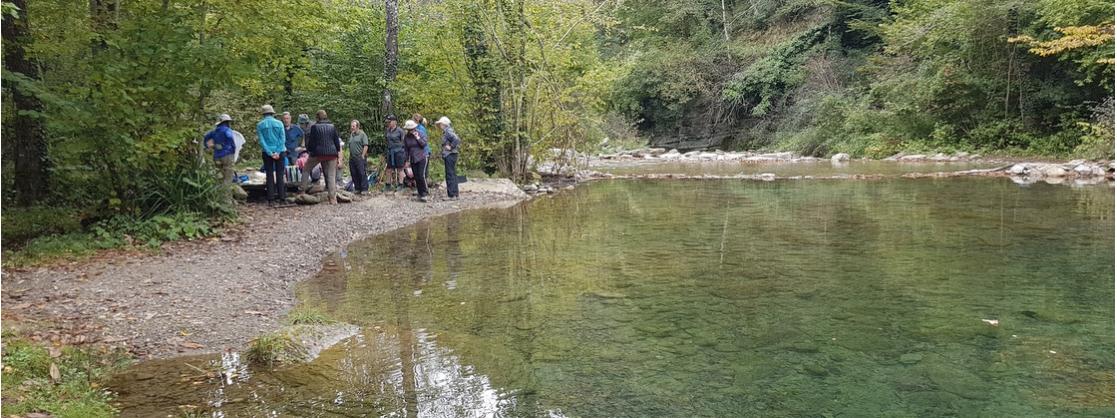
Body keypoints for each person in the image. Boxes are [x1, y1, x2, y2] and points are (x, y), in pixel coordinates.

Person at [300, 110, 342, 204]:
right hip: (332, 153)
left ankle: (302, 190)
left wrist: (310, 151)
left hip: (318, 153)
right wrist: (337, 152)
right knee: (331, 175)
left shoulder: (314, 127)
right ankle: (332, 198)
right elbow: (336, 141)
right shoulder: (332, 126)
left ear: (317, 117)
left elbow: (312, 142)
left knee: (306, 169)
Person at [257, 105, 287, 205]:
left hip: (267, 153)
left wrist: (270, 152)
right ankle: (282, 198)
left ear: (263, 114)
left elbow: (262, 141)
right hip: (280, 151)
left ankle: (271, 199)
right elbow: (282, 139)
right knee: (280, 174)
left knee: (269, 175)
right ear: (272, 113)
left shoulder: (260, 125)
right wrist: (277, 152)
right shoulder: (279, 123)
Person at [204, 113, 237, 184]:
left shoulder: (214, 131)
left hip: (217, 156)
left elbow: (205, 137)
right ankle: (226, 193)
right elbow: (229, 137)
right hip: (227, 155)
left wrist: (207, 146)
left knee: (220, 176)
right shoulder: (227, 130)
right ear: (227, 122)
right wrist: (233, 149)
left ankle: (219, 192)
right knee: (228, 176)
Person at [402, 119, 429, 202]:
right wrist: (406, 160)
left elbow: (424, 144)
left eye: (411, 129)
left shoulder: (420, 133)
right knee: (416, 176)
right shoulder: (406, 137)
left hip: (422, 157)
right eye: (408, 129)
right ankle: (420, 193)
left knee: (421, 175)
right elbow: (406, 149)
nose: (410, 131)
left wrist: (417, 137)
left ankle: (424, 193)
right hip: (413, 158)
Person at [435, 116, 461, 199]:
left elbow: (456, 139)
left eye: (440, 124)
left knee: (449, 174)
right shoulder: (448, 131)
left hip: (450, 154)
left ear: (444, 124)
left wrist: (451, 146)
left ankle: (452, 195)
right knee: (452, 174)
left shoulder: (448, 131)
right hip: (452, 154)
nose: (440, 125)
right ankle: (455, 194)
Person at [384, 115, 406, 192]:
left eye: (390, 122)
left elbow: (404, 142)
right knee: (388, 169)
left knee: (400, 168)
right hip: (390, 152)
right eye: (388, 122)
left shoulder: (400, 131)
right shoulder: (387, 130)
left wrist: (404, 153)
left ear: (394, 122)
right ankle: (388, 185)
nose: (388, 123)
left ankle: (401, 184)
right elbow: (386, 141)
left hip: (399, 152)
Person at [348, 119, 370, 194]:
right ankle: (357, 188)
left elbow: (366, 145)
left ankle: (364, 189)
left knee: (361, 173)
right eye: (351, 126)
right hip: (352, 157)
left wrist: (363, 155)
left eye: (353, 126)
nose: (352, 127)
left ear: (357, 126)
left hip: (359, 157)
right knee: (353, 173)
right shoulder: (352, 134)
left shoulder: (362, 134)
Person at [412, 113, 431, 179]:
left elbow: (423, 141)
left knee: (423, 171)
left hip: (424, 151)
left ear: (416, 120)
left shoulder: (421, 128)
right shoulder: (414, 128)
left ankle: (425, 186)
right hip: (418, 152)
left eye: (413, 119)